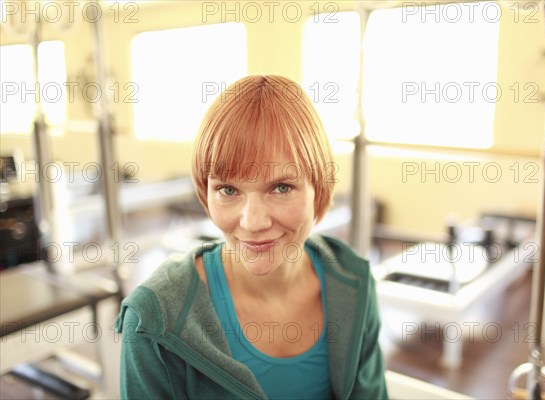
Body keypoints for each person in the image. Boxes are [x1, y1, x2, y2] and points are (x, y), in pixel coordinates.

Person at [116, 75, 388, 399]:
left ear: (318, 188)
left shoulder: (353, 283)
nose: (253, 222)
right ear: (206, 193)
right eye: (228, 190)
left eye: (281, 187)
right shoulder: (153, 319)